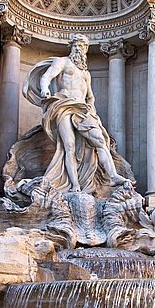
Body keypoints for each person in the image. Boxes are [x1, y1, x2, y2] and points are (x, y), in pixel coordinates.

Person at [23, 34, 128, 193]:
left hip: (82, 110)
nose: (79, 49)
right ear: (71, 47)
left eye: (82, 47)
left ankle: (113, 176)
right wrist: (44, 89)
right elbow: (46, 77)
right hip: (63, 105)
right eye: (76, 46)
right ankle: (75, 185)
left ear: (86, 50)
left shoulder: (85, 73)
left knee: (100, 140)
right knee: (69, 146)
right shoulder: (62, 62)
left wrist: (91, 111)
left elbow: (90, 97)